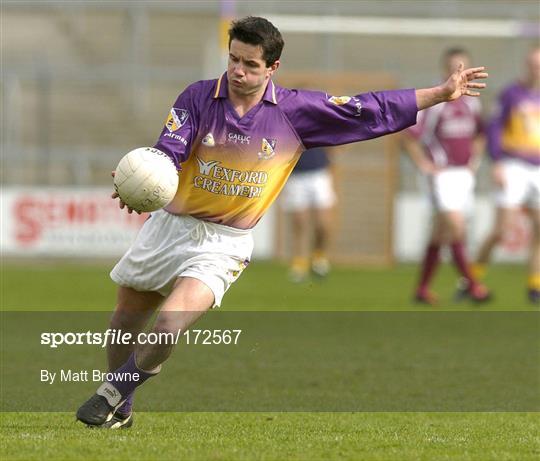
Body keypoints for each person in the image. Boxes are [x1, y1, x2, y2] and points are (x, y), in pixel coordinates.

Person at [76, 16, 488, 428]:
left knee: (168, 326)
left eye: (250, 64)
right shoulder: (199, 97)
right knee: (124, 322)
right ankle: (122, 408)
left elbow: (369, 110)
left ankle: (112, 393)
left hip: (224, 241)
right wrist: (143, 180)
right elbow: (170, 149)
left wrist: (439, 93)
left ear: (272, 68)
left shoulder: (295, 110)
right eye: (233, 59)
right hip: (169, 228)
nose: (237, 70)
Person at [402, 47, 491, 305]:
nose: (459, 72)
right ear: (445, 70)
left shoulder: (472, 103)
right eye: (454, 67)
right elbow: (409, 137)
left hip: (463, 175)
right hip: (442, 176)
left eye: (464, 66)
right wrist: (424, 165)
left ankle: (422, 289)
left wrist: (475, 159)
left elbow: (481, 134)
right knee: (456, 226)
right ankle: (473, 286)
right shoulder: (438, 103)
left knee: (441, 234)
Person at [471, 46, 540, 304]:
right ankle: (472, 278)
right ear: (527, 65)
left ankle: (535, 285)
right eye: (534, 64)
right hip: (514, 165)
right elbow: (495, 128)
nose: (537, 69)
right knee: (502, 229)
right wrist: (497, 162)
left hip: (538, 167)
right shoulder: (512, 93)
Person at [280, 146, 336, 282]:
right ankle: (299, 263)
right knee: (299, 222)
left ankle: (318, 257)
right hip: (296, 175)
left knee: (323, 224)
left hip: (319, 173)